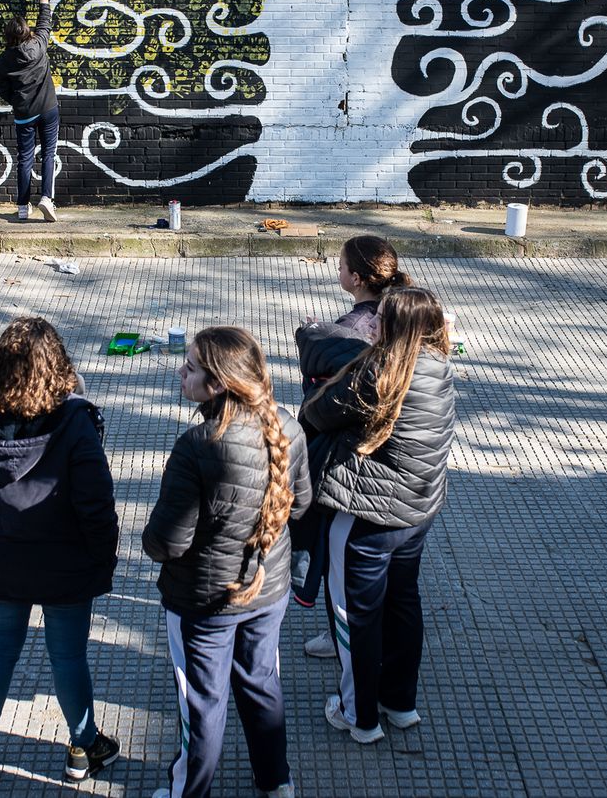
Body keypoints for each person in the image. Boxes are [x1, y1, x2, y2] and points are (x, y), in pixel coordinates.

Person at [0, 317, 120, 787]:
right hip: (66, 565)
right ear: (58, 366)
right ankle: (84, 747)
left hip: (0, 558)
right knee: (68, 657)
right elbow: (96, 505)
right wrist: (103, 557)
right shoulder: (75, 422)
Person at [143, 326, 311, 798]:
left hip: (204, 602)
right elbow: (299, 507)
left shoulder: (197, 446)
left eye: (191, 366)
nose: (181, 370)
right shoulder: (289, 429)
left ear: (218, 384)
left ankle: (188, 792)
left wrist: (147, 541)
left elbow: (169, 543)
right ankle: (277, 782)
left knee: (202, 703)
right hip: (268, 589)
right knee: (260, 683)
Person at [297, 287, 457, 744]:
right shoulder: (440, 367)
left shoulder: (379, 371)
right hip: (417, 513)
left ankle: (359, 716)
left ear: (393, 326)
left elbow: (319, 414)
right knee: (404, 604)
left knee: (354, 617)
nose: (373, 322)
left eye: (381, 317)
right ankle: (400, 704)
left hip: (367, 516)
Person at [292, 235, 413, 628]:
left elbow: (324, 407)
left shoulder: (353, 330)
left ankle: (342, 637)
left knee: (338, 558)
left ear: (357, 278)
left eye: (341, 265)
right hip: (407, 481)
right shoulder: (402, 319)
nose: (337, 270)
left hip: (353, 468)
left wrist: (315, 337)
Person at [0, 0, 60, 223]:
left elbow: (3, 89)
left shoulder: (4, 60)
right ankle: (46, 198)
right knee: (49, 153)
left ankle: (23, 206)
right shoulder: (39, 45)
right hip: (48, 108)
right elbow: (46, 16)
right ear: (27, 33)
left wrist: (17, 102)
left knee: (24, 158)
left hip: (24, 114)